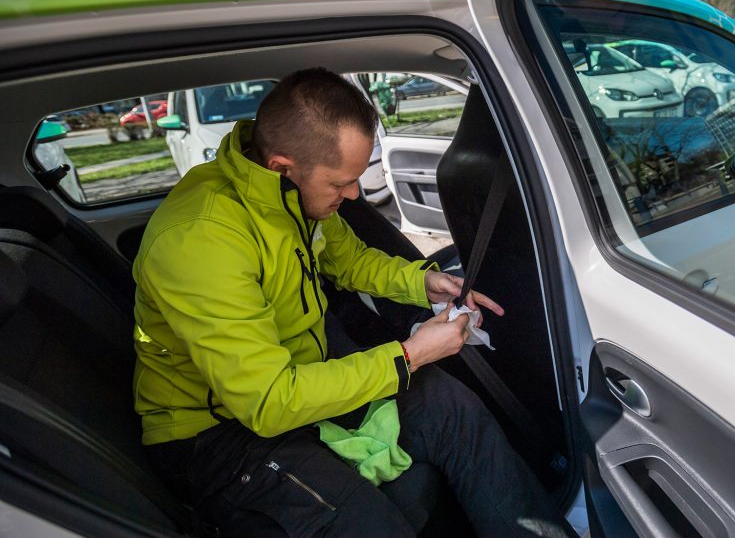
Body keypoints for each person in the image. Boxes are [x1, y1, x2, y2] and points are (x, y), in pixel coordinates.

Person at [132, 68, 566, 537]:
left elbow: (350, 260)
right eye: (341, 183)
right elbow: (269, 403)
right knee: (372, 525)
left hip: (299, 381)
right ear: (281, 166)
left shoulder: (287, 196)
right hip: (217, 435)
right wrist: (408, 356)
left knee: (452, 409)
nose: (355, 194)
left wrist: (424, 283)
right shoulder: (202, 241)